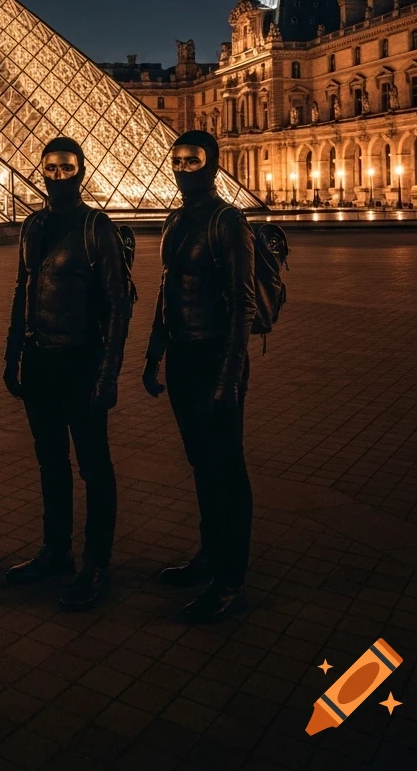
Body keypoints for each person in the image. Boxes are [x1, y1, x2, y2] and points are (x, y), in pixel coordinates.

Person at [4, 137, 131, 611]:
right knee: (50, 463)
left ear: (81, 170)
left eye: (67, 167)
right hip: (39, 361)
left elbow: (119, 305)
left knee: (94, 467)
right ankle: (56, 552)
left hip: (82, 359)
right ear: (41, 171)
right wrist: (12, 354)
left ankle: (97, 565)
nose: (58, 175)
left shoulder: (97, 226)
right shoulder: (33, 224)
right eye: (51, 168)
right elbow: (22, 290)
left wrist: (109, 373)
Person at [142, 130, 256, 623]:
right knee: (201, 462)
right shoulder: (177, 219)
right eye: (178, 159)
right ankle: (210, 555)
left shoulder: (227, 221)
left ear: (212, 164)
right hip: (183, 356)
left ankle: (231, 579)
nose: (183, 166)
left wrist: (229, 377)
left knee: (226, 468)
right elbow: (168, 290)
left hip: (216, 357)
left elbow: (243, 303)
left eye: (194, 159)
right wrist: (153, 352)